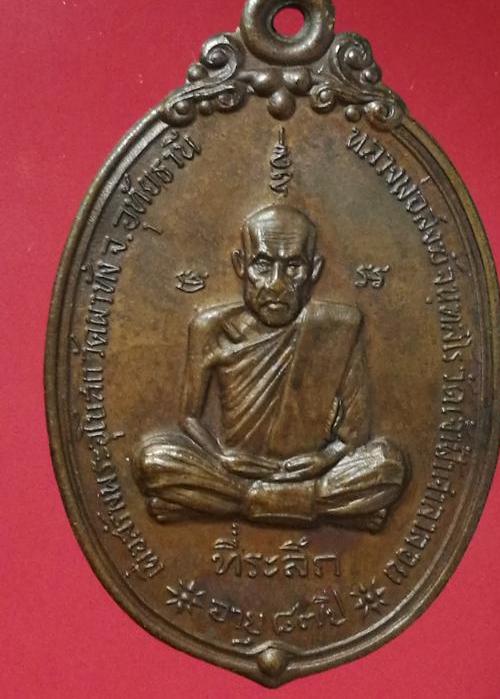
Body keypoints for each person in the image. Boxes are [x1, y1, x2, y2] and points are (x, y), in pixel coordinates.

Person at [133, 204, 408, 530]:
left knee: (388, 464)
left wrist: (324, 459)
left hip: (305, 473)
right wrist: (221, 457)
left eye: (293, 267)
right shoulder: (210, 328)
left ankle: (236, 503)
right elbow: (189, 417)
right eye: (263, 265)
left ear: (315, 270)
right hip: (235, 470)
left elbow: (354, 434)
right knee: (152, 460)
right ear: (241, 265)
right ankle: (322, 507)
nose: (277, 284)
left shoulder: (338, 328)